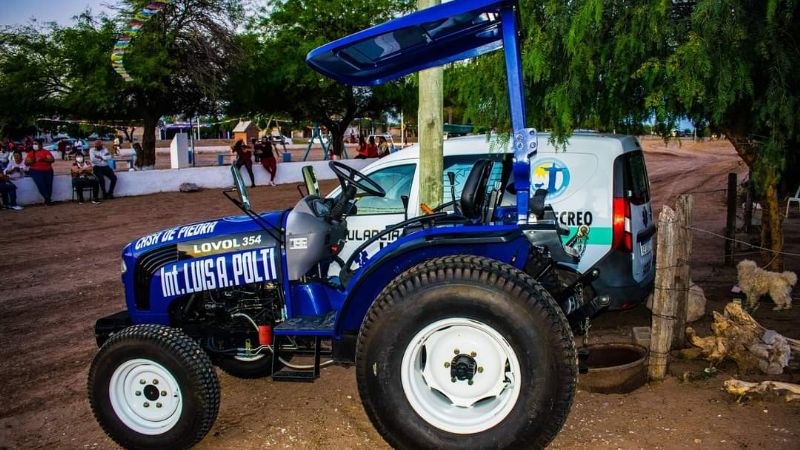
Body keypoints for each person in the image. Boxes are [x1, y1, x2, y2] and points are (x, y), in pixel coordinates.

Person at [24, 138, 55, 205]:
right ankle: (47, 198)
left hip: (48, 170)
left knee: (49, 185)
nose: (34, 145)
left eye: (36, 144)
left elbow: (52, 160)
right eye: (34, 144)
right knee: (41, 184)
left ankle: (48, 199)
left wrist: (43, 159)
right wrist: (33, 160)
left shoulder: (46, 152)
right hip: (35, 171)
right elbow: (26, 162)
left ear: (41, 145)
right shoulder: (31, 153)